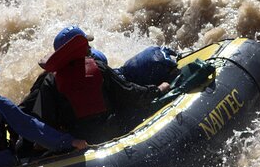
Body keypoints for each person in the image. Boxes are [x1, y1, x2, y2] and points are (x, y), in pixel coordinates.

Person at [19, 28, 171, 145]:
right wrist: (157, 90)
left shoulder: (49, 81)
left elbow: (45, 121)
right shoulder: (98, 67)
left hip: (76, 142)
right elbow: (130, 94)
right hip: (109, 132)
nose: (89, 47)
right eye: (87, 44)